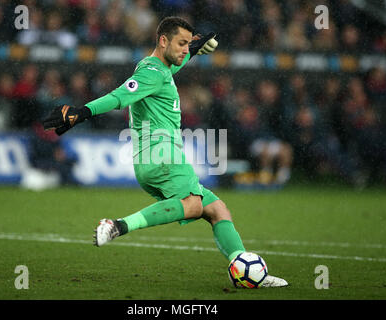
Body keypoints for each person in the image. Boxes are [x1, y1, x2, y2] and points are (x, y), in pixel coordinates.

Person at [42, 17, 287, 287]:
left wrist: (192, 50)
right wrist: (81, 112)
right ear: (163, 41)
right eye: (181, 43)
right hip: (162, 156)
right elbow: (119, 96)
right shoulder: (150, 72)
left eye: (188, 44)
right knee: (193, 205)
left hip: (153, 158)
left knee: (217, 209)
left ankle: (244, 266)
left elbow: (166, 72)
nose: (185, 49)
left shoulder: (159, 70)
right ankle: (117, 226)